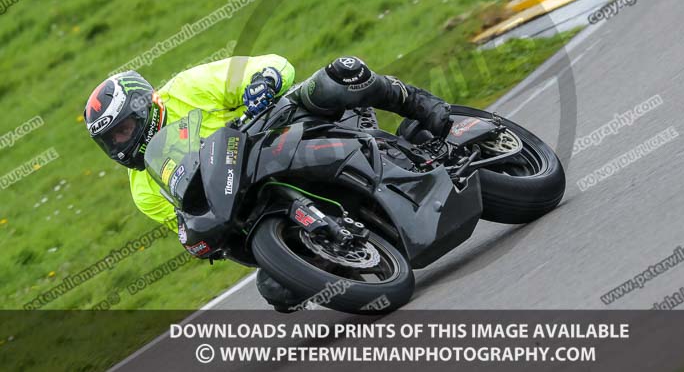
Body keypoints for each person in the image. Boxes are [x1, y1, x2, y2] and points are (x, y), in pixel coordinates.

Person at [83, 54, 451, 311]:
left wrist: (263, 81)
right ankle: (351, 252)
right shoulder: (143, 189)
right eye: (110, 140)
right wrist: (201, 240)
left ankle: (421, 105)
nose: (119, 144)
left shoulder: (186, 88)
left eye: (123, 130)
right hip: (250, 199)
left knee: (338, 76)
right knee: (276, 287)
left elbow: (271, 65)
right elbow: (188, 218)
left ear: (144, 107)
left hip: (281, 131)